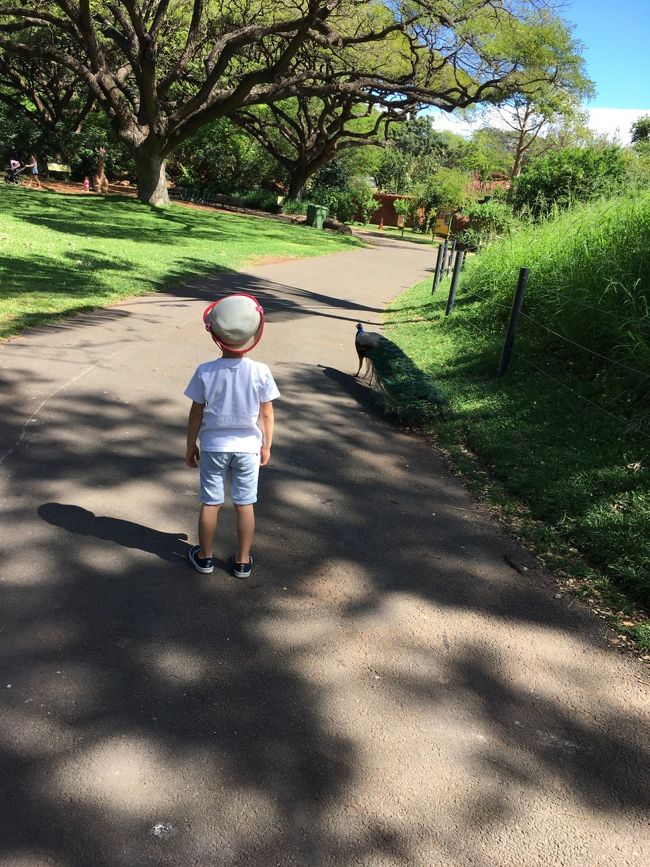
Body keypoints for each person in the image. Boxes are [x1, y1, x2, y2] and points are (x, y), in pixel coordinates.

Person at [184, 293, 279, 578]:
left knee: (211, 502)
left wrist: (191, 444)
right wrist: (266, 445)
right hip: (248, 448)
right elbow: (267, 414)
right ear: (255, 333)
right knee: (244, 504)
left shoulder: (205, 372)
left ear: (214, 334)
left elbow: (196, 413)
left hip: (213, 447)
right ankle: (242, 560)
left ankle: (205, 556)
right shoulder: (260, 372)